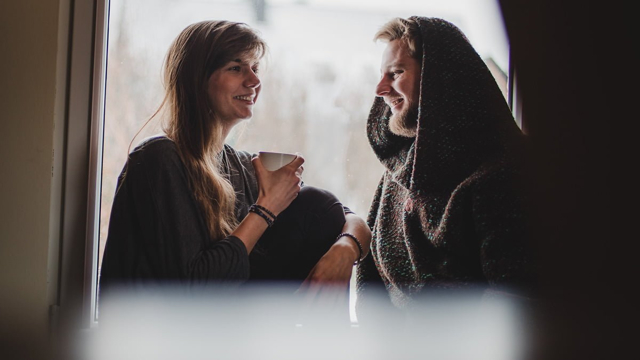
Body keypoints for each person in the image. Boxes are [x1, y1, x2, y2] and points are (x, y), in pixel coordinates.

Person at [98, 20, 371, 318]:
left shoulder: (237, 164)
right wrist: (266, 208)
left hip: (223, 330)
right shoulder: (159, 159)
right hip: (164, 335)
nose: (253, 80)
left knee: (318, 208)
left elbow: (344, 216)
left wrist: (345, 250)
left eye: (255, 68)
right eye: (236, 68)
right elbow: (194, 290)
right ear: (197, 79)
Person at [356, 17, 535, 317]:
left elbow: (513, 302)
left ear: (438, 80)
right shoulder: (399, 167)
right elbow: (371, 272)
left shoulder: (503, 174)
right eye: (381, 74)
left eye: (396, 73)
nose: (380, 88)